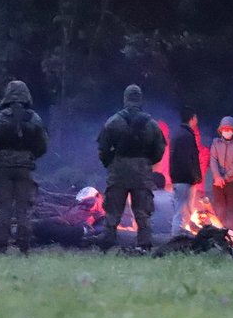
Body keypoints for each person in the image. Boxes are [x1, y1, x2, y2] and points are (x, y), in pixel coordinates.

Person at [97, 84, 167, 251]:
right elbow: (159, 149)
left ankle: (107, 246)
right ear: (140, 100)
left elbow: (103, 148)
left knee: (113, 212)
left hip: (119, 170)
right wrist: (147, 161)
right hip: (142, 171)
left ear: (125, 99)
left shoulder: (114, 121)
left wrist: (110, 163)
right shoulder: (151, 124)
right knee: (142, 213)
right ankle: (144, 246)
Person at [0, 80, 48, 254]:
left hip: (3, 168)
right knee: (23, 208)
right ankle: (24, 247)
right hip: (25, 167)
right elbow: (43, 146)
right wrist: (30, 156)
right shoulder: (34, 118)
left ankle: (1, 246)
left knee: (4, 208)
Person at [32, 186, 106, 247]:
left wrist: (63, 220)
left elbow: (75, 217)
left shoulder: (93, 201)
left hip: (84, 229)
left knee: (45, 226)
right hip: (88, 228)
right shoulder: (98, 204)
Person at [169, 106, 202, 237]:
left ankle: (180, 242)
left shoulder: (178, 134)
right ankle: (176, 242)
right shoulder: (186, 136)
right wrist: (194, 177)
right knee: (181, 214)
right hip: (185, 180)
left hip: (180, 179)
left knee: (185, 213)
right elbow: (187, 159)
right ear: (192, 118)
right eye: (196, 118)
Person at [210, 115, 233, 230]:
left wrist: (225, 177)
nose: (226, 131)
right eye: (224, 129)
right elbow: (213, 160)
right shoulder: (216, 142)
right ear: (220, 130)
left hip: (232, 182)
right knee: (220, 210)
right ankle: (221, 235)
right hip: (217, 183)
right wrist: (217, 176)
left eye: (229, 129)